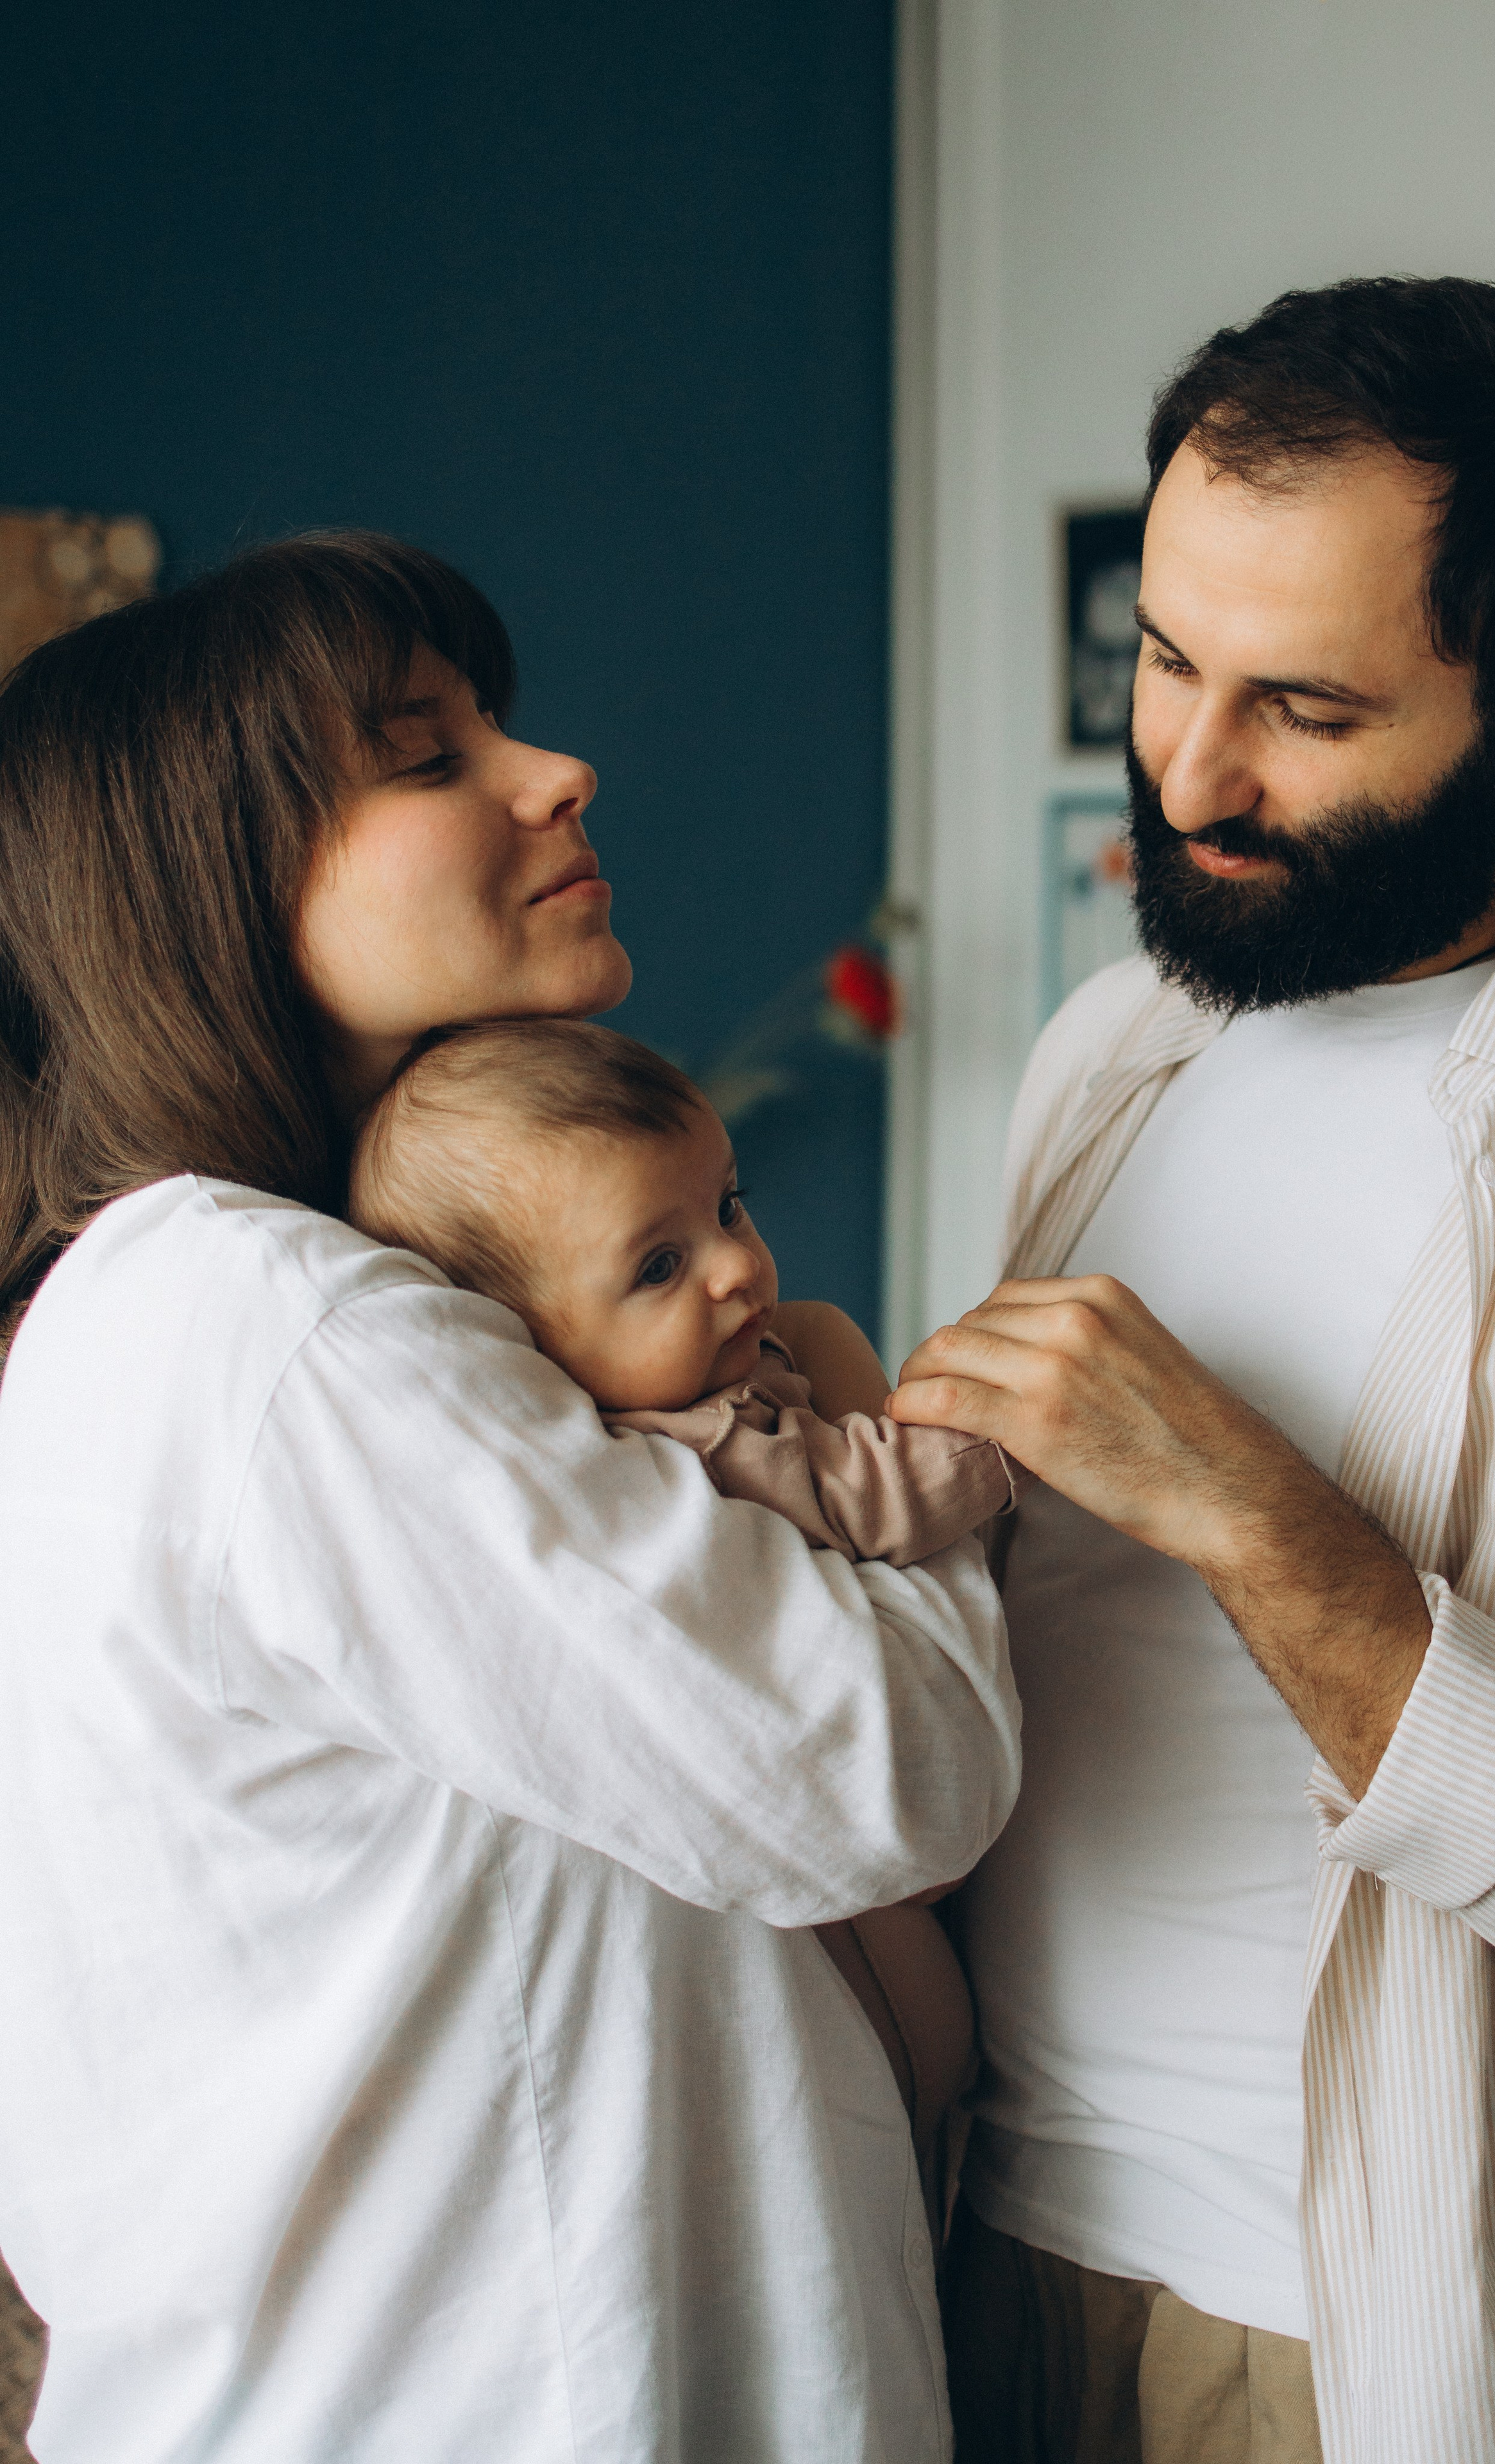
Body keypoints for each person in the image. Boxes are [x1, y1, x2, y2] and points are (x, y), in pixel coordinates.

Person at [0, 534, 1022, 2464]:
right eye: (422, 755)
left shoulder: (160, 1309)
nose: (558, 773)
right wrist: (853, 1407)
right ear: (214, 890)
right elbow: (893, 1769)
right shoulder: (277, 1324)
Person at [889, 277, 1495, 2463]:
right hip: (975, 2237)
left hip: (1337, 2327)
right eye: (1162, 659)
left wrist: (1249, 1507)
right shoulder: (1107, 1047)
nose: (1189, 773)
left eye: (1305, 707)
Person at [348, 1010, 1022, 2208]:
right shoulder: (693, 1447)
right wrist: (992, 1436)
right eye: (657, 1267)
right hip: (860, 1937)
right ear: (532, 1349)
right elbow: (868, 1490)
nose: (736, 1265)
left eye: (728, 1205)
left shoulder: (741, 1371)